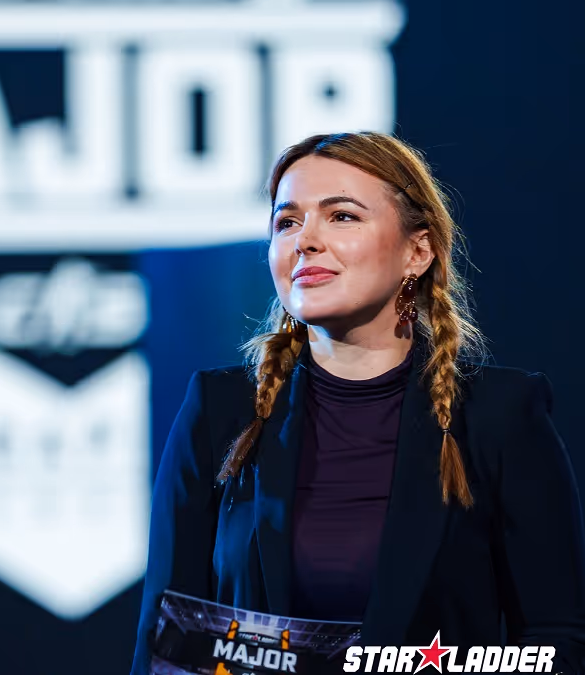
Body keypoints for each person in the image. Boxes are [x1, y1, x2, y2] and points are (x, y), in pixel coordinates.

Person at [131, 132, 585, 674]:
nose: (305, 241)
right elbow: (169, 643)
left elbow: (556, 640)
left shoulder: (500, 415)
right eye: (287, 222)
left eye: (341, 216)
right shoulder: (218, 409)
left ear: (417, 251)